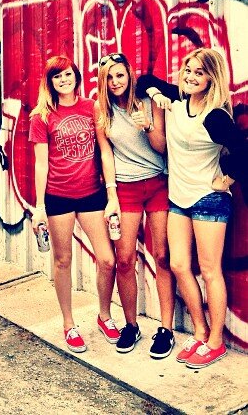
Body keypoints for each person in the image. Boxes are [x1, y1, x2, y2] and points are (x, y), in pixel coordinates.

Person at [137, 48, 247, 369]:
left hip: (208, 200)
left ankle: (215, 342)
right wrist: (157, 95)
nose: (191, 76)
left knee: (210, 271)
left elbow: (243, 150)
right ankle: (200, 330)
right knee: (178, 264)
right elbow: (144, 81)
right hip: (179, 199)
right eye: (188, 69)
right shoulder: (177, 99)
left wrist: (226, 180)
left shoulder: (214, 117)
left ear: (211, 78)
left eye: (200, 73)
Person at [29, 55, 120, 353]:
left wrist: (111, 193)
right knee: (63, 260)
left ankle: (104, 315)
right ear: (50, 82)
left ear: (76, 76)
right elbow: (41, 163)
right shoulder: (42, 116)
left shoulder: (92, 107)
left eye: (67, 74)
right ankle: (69, 324)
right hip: (58, 196)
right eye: (57, 76)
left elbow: (105, 151)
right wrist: (39, 207)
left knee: (107, 259)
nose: (64, 80)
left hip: (92, 193)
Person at [97, 53, 175, 358]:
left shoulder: (149, 100)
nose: (115, 82)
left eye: (120, 75)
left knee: (162, 256)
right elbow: (106, 153)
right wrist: (111, 195)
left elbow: (162, 147)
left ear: (129, 74)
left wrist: (148, 126)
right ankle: (131, 325)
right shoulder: (101, 108)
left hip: (157, 183)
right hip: (125, 189)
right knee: (125, 259)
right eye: (109, 77)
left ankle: (166, 329)